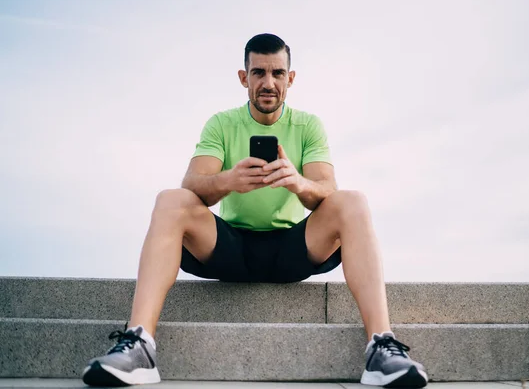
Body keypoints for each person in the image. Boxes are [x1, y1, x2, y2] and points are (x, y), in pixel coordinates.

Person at [81, 33, 428, 388]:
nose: (268, 82)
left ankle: (380, 346)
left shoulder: (308, 125)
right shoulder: (222, 123)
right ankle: (140, 345)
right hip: (231, 249)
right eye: (258, 72)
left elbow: (326, 189)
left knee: (352, 201)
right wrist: (228, 180)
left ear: (290, 79)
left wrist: (298, 182)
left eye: (277, 73)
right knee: (170, 199)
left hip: (291, 249)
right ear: (243, 77)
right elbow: (192, 183)